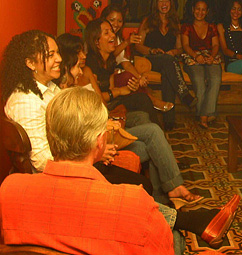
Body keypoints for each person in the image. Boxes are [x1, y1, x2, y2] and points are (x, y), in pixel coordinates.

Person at [0, 87, 241, 254]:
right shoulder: (133, 201)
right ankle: (195, 222)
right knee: (175, 236)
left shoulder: (9, 189)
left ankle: (196, 221)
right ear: (100, 142)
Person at [1, 30, 152, 193]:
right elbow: (42, 161)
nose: (59, 59)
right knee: (142, 184)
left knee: (143, 180)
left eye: (57, 52)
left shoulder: (49, 87)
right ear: (30, 63)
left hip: (75, 162)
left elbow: (75, 120)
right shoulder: (25, 102)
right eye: (51, 55)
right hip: (60, 181)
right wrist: (93, 156)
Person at [69, 26, 202, 205]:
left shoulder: (87, 70)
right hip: (99, 129)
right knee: (152, 132)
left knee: (142, 117)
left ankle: (161, 195)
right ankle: (168, 190)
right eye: (78, 53)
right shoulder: (67, 86)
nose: (83, 56)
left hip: (104, 117)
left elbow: (102, 98)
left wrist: (119, 91)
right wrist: (120, 92)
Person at [136, 0, 197, 130]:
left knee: (167, 70)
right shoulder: (148, 21)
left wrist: (172, 52)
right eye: (161, 1)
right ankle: (184, 94)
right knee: (168, 62)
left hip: (168, 62)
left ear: (171, 4)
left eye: (167, 1)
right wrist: (152, 50)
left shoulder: (175, 23)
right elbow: (138, 45)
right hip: (151, 59)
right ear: (156, 4)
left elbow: (180, 49)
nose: (164, 4)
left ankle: (169, 120)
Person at [101, 4, 175, 114]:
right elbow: (108, 57)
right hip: (103, 79)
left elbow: (126, 63)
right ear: (104, 19)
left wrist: (139, 77)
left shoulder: (117, 38)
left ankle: (151, 106)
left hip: (115, 76)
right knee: (128, 77)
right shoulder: (99, 36)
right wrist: (127, 43)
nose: (116, 24)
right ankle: (154, 101)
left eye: (120, 21)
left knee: (137, 80)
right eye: (112, 20)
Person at [181, 0, 222, 129]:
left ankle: (203, 114)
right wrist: (195, 56)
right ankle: (206, 115)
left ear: (207, 11)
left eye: (203, 10)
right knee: (199, 79)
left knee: (215, 78)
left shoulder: (212, 27)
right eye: (198, 9)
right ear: (193, 10)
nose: (200, 12)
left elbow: (216, 45)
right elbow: (185, 45)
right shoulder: (186, 26)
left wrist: (212, 56)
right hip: (192, 57)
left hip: (210, 56)